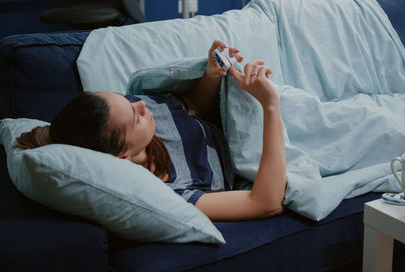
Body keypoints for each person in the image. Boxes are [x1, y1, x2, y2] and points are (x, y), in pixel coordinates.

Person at [16, 40, 287, 221]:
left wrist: (211, 75)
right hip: (264, 145)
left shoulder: (145, 113)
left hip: (238, 119)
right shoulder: (169, 193)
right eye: (135, 117)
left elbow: (193, 107)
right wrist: (270, 105)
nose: (143, 105)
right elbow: (265, 202)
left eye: (129, 101)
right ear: (122, 154)